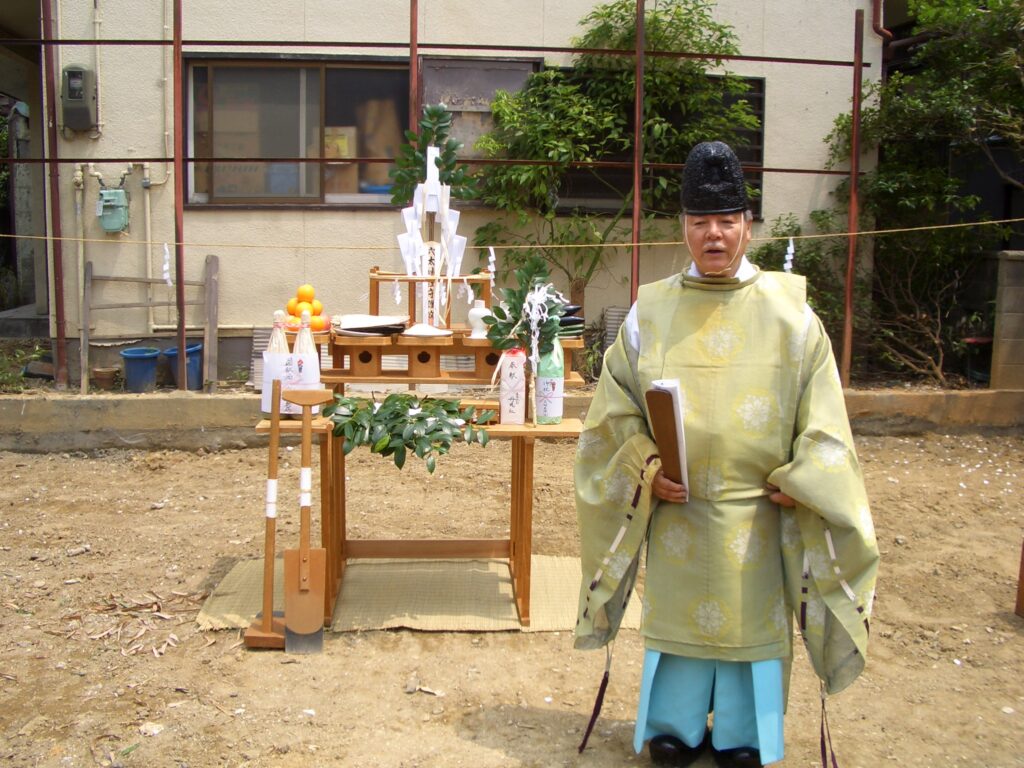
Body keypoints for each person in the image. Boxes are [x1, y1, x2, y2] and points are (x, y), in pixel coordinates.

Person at [573, 140, 879, 768]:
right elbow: (613, 414)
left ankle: (746, 732)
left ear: (746, 225)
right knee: (681, 635)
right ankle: (675, 727)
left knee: (750, 627)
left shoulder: (793, 316)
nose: (713, 234)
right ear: (683, 227)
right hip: (678, 510)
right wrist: (645, 469)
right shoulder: (647, 313)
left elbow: (825, 420)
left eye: (726, 221)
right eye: (699, 222)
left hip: (760, 513)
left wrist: (807, 480)